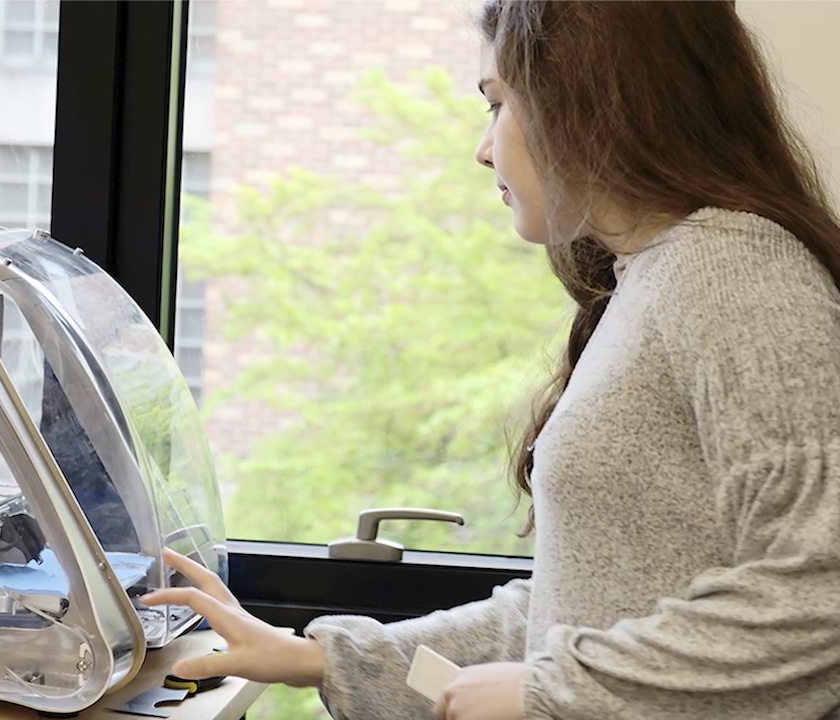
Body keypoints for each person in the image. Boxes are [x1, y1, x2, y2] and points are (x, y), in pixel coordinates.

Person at [140, 1, 840, 718]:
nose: (483, 149)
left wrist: (550, 694)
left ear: (593, 102)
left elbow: (823, 594)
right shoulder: (656, 277)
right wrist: (318, 657)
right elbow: (575, 614)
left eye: (498, 104)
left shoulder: (731, 272)